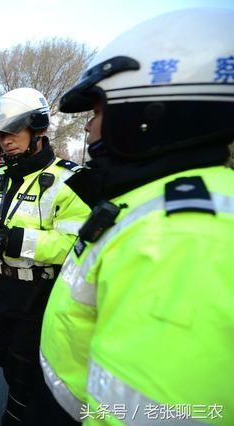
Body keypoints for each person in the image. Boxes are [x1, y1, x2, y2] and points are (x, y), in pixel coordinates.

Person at [40, 9, 234, 425]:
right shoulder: (159, 200)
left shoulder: (184, 234)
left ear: (150, 108)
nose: (89, 129)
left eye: (97, 111)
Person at [0, 88, 90, 425]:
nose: (4, 141)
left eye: (12, 132)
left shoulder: (70, 181)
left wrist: (16, 240)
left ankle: (20, 415)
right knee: (2, 357)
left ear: (37, 129)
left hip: (37, 297)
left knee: (28, 373)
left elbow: (74, 243)